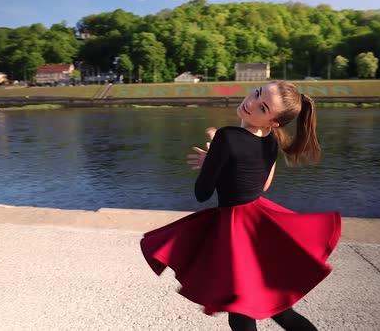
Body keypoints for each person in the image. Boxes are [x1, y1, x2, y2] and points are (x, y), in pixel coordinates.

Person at [140, 80, 341, 331]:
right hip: (259, 224)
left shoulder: (227, 136)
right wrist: (219, 160)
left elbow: (202, 193)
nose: (251, 103)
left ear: (273, 122)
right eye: (257, 93)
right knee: (278, 309)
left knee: (241, 312)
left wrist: (214, 160)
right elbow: (262, 184)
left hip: (237, 230)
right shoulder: (271, 138)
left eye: (263, 107)